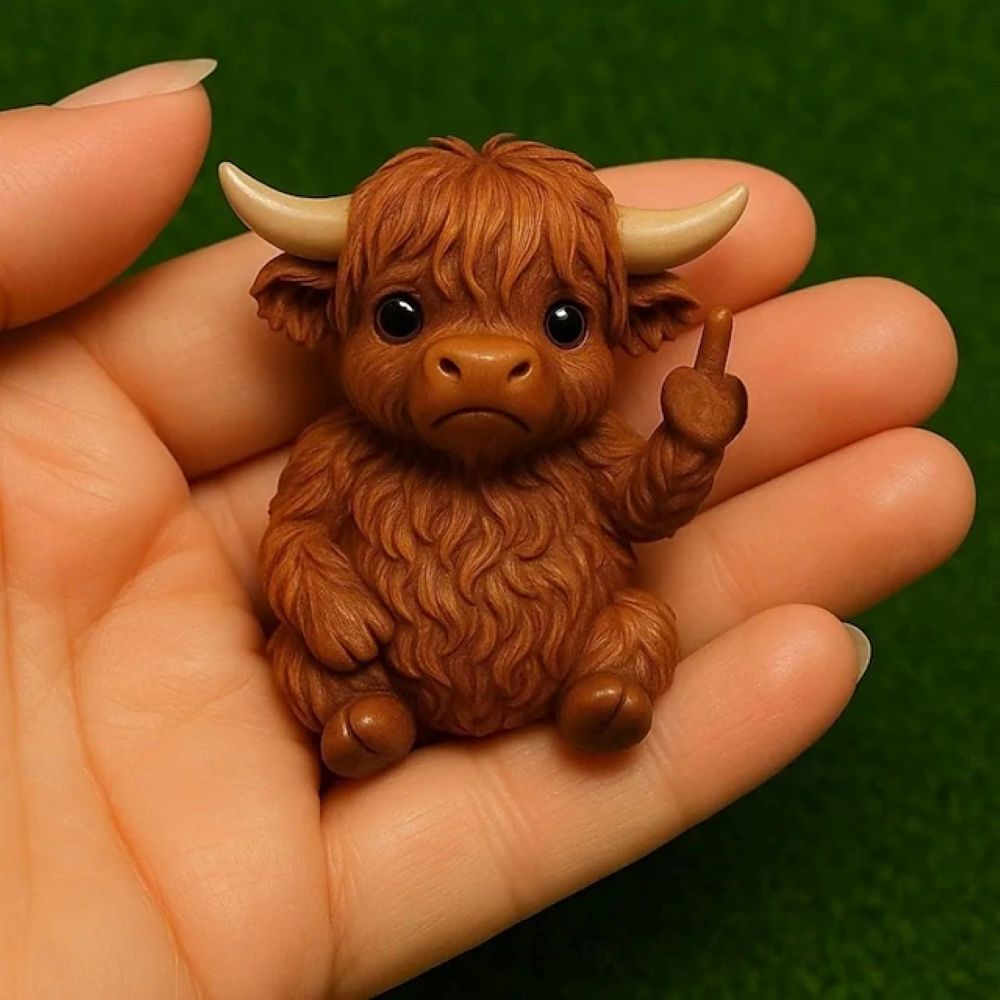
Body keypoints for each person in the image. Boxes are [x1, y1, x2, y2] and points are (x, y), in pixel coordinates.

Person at [0, 60, 974, 998]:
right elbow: (293, 538)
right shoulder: (340, 452)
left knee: (638, 623)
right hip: (389, 670)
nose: (481, 359)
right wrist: (320, 593)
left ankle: (603, 694)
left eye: (560, 323)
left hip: (564, 650)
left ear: (630, 327)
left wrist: (686, 441)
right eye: (402, 316)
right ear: (318, 311)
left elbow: (648, 512)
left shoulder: (589, 446)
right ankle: (363, 718)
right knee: (304, 654)